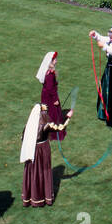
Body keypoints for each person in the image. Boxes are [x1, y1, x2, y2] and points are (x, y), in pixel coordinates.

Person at [21, 51, 72, 209]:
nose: (56, 61)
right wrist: (65, 112)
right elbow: (50, 89)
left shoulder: (29, 129)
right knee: (53, 117)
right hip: (50, 98)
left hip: (47, 98)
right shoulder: (49, 75)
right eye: (54, 59)